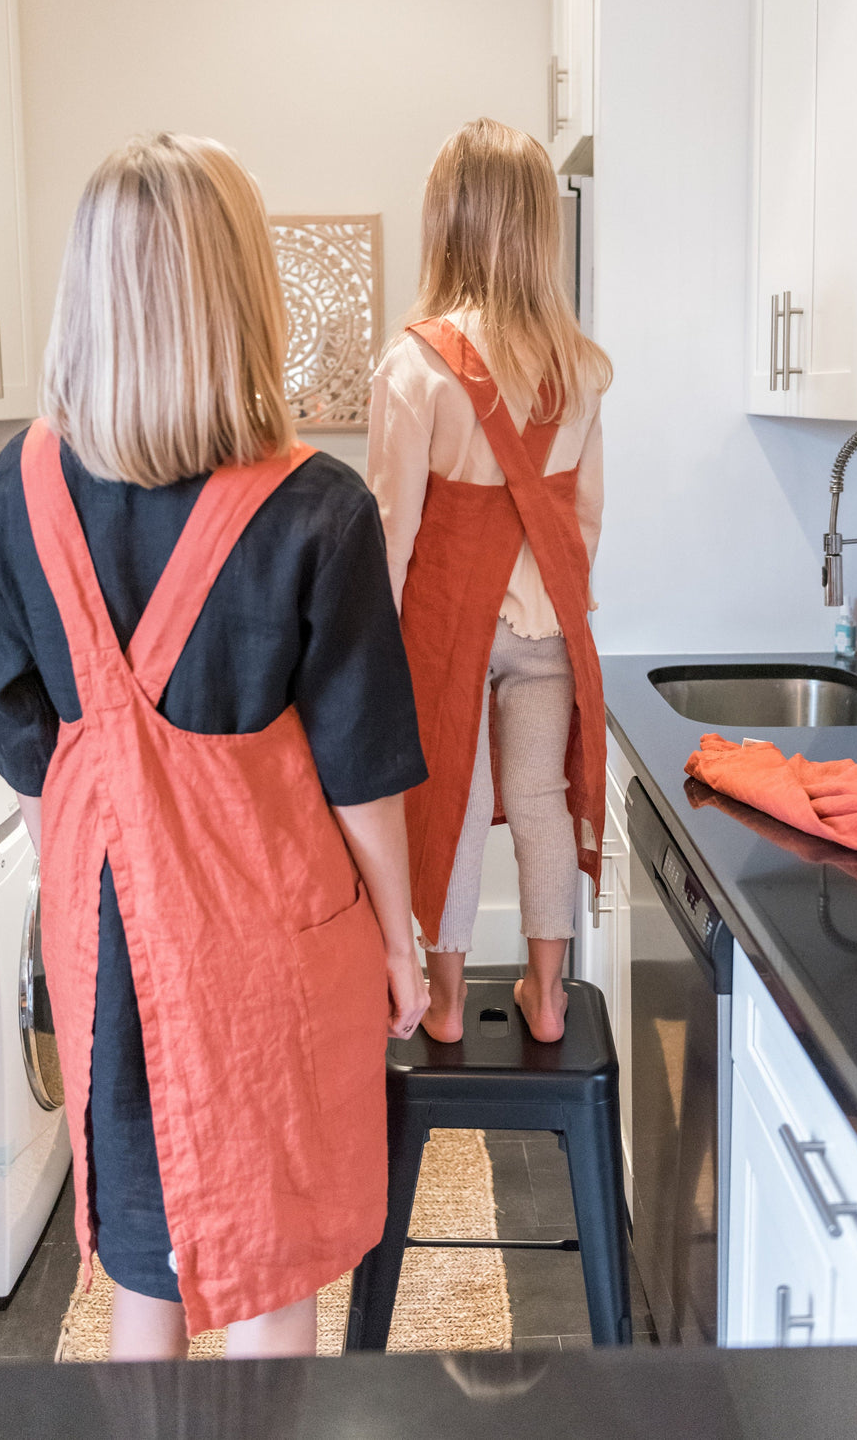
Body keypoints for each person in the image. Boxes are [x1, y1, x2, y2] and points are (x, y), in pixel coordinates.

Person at [0, 133, 429, 1361]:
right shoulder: (320, 510)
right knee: (273, 1279)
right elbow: (363, 768)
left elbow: (21, 735)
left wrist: (120, 813)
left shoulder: (19, 490)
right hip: (272, 945)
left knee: (144, 1265)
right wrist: (403, 941)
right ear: (242, 296)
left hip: (109, 942)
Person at [366, 117, 611, 1046]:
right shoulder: (580, 368)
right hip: (549, 621)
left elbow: (392, 530)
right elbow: (584, 520)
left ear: (448, 224)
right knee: (541, 801)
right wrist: (560, 602)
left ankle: (447, 997)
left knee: (456, 800)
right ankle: (547, 998)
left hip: (447, 629)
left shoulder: (417, 362)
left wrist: (375, 652)